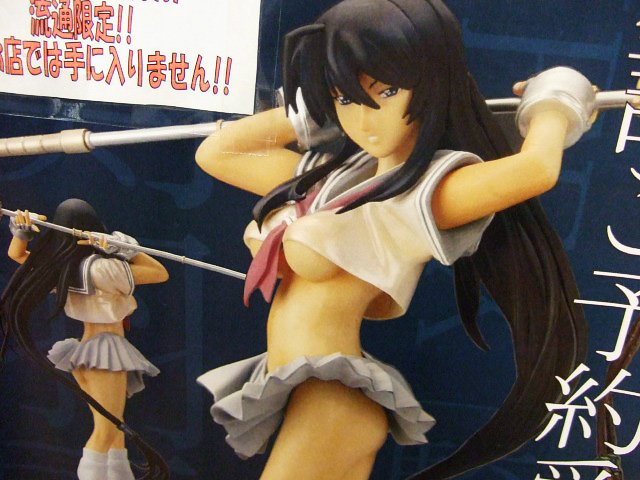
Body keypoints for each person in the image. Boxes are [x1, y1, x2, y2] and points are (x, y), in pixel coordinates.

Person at [194, 0, 590, 478]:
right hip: (312, 394)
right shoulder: (332, 180)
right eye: (346, 99)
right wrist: (315, 108)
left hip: (330, 403)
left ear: (433, 85)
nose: (365, 119)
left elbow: (536, 169)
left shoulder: (428, 192)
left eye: (387, 91)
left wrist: (555, 98)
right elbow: (218, 152)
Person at [1, 199, 170, 480]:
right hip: (105, 352)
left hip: (86, 352)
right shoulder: (103, 269)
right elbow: (159, 272)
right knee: (105, 432)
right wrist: (122, 247)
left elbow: (17, 255)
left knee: (115, 429)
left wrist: (21, 233)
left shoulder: (61, 268)